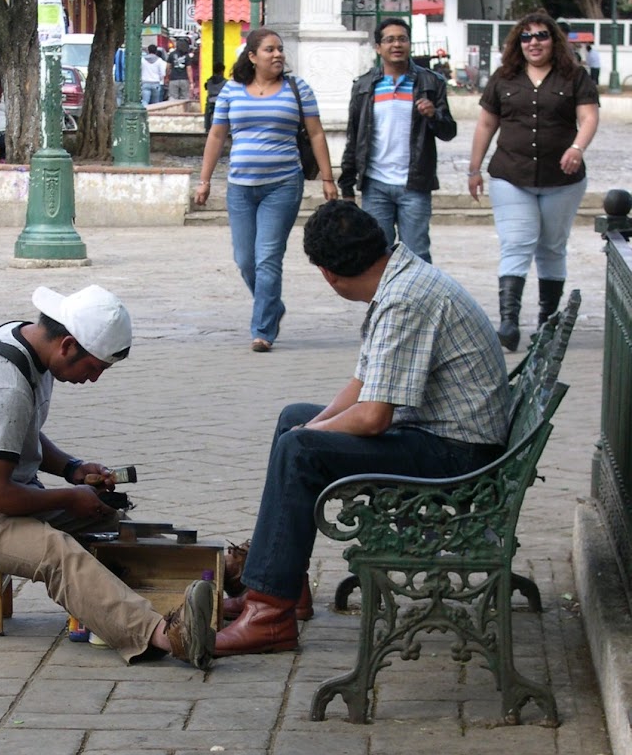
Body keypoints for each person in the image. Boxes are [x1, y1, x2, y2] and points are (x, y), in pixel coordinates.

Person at [213, 201, 510, 656]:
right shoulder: (399, 277)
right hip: (441, 436)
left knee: (301, 450)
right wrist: (313, 426)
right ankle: (281, 586)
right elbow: (362, 384)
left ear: (328, 274)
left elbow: (374, 416)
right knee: (295, 421)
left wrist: (310, 439)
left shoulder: (405, 299)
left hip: (458, 456)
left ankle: (270, 615)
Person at [0, 285, 216, 669]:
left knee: (108, 520)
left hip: (2, 494)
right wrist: (67, 496)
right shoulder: (5, 383)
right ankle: (166, 637)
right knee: (58, 553)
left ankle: (201, 595)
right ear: (67, 345)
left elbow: (15, 432)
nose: (93, 379)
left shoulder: (30, 347)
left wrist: (72, 469)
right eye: (93, 368)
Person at [193, 27, 338, 353]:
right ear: (253, 56)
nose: (278, 55)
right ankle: (271, 304)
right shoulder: (232, 90)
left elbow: (316, 134)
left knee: (268, 258)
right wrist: (204, 181)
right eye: (270, 50)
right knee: (245, 259)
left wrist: (328, 179)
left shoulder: (297, 88)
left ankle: (262, 330)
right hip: (240, 188)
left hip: (283, 184)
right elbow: (217, 136)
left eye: (280, 49)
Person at [468, 11, 599, 352]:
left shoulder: (575, 77)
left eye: (541, 35)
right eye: (526, 37)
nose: (534, 43)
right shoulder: (504, 78)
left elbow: (588, 117)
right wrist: (474, 168)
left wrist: (577, 147)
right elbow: (485, 125)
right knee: (516, 242)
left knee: (552, 247)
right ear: (517, 43)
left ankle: (547, 324)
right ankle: (508, 323)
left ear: (554, 40)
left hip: (563, 179)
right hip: (511, 175)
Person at [338, 18, 456, 265]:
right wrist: (347, 185)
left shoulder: (430, 83)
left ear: (410, 44)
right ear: (378, 47)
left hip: (414, 183)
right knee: (376, 254)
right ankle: (383, 303)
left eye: (402, 39)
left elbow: (449, 132)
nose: (396, 45)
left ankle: (418, 303)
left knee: (417, 255)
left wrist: (434, 115)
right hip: (375, 184)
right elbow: (355, 137)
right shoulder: (364, 86)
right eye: (389, 40)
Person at [203, 61, 227, 132]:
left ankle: (207, 127)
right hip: (221, 101)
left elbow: (206, 87)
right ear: (222, 71)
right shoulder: (225, 82)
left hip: (211, 101)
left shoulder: (209, 81)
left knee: (207, 110)